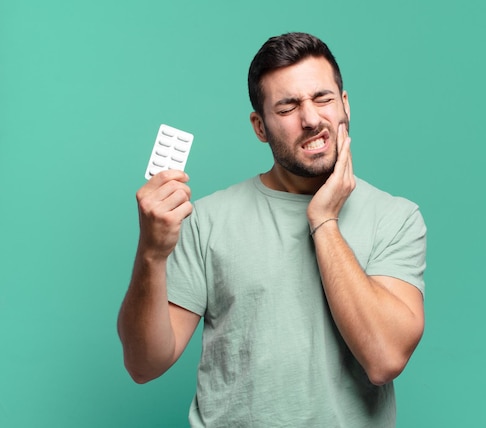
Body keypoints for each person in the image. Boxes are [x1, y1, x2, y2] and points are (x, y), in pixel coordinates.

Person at [118, 32, 427, 427]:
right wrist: (151, 252)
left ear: (345, 105)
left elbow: (384, 358)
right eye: (287, 107)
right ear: (260, 127)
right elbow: (144, 365)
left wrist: (324, 221)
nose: (311, 118)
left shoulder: (395, 218)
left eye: (323, 98)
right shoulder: (207, 220)